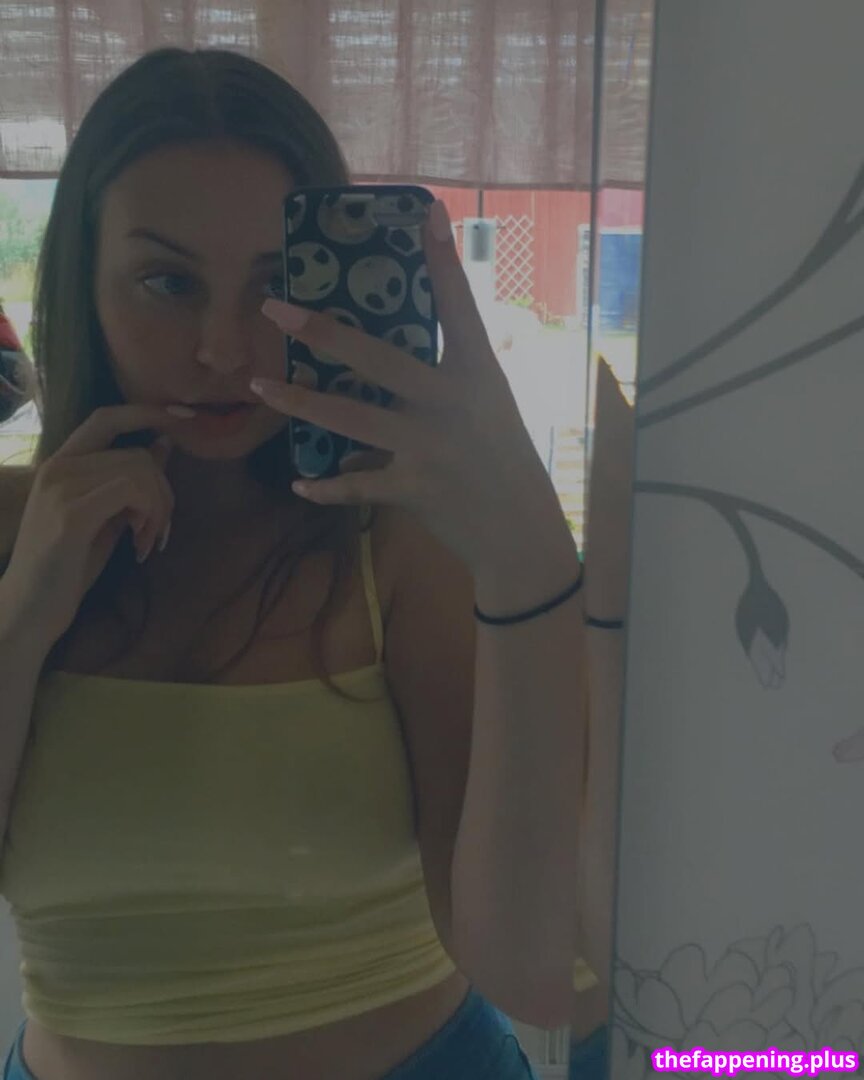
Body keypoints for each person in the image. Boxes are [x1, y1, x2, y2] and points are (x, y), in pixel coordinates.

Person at [0, 47, 602, 1080]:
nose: (224, 348)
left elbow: (542, 975)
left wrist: (526, 556)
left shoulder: (396, 541)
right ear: (82, 283)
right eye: (167, 281)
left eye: (280, 285)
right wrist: (26, 610)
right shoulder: (19, 529)